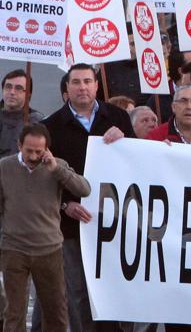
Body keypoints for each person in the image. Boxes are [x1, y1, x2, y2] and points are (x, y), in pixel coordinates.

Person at [41, 64, 134, 332]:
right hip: (72, 226)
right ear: (66, 88)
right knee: (79, 293)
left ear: (96, 85)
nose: (82, 87)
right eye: (76, 82)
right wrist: (64, 205)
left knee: (114, 287)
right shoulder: (51, 126)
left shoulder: (118, 118)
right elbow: (45, 179)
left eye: (87, 81)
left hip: (113, 223)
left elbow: (137, 162)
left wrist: (127, 138)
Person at [0, 123, 91, 332]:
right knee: (14, 313)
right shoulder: (5, 167)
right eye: (28, 151)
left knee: (56, 312)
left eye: (39, 152)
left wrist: (56, 169)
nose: (33, 156)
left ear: (47, 149)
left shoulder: (57, 166)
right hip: (14, 249)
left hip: (49, 249)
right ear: (19, 145)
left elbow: (84, 189)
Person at [0, 69, 42, 158]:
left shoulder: (37, 122)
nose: (12, 92)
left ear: (28, 94)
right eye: (8, 86)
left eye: (18, 88)